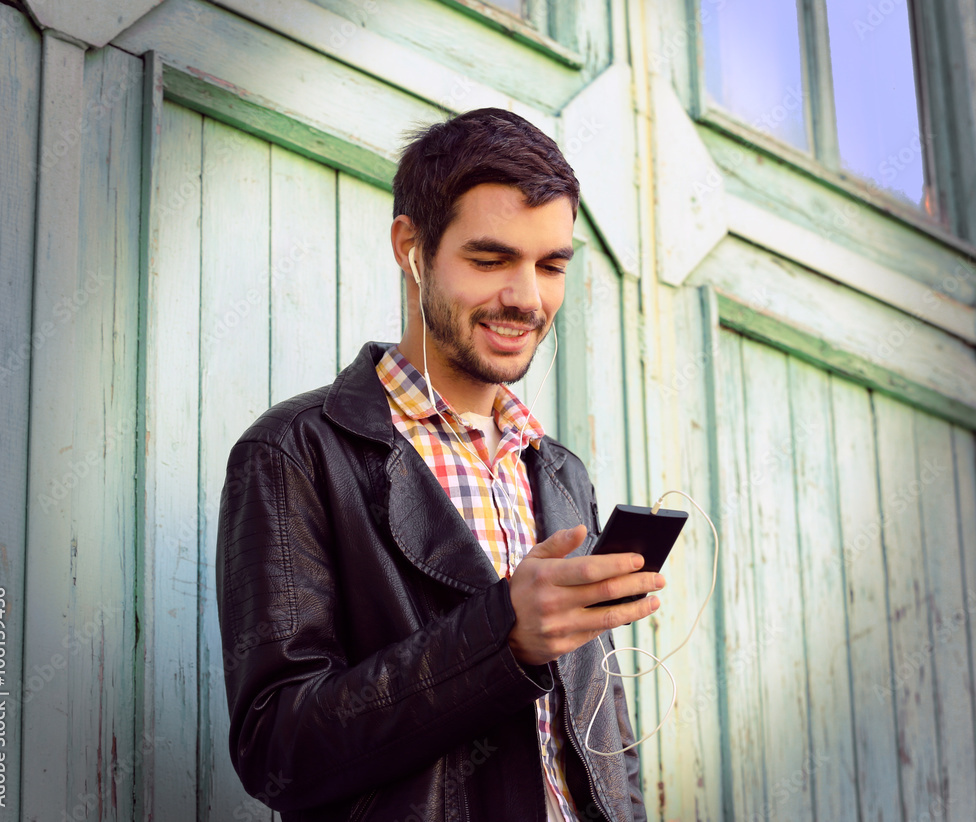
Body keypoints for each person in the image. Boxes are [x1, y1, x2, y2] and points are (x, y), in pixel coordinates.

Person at [216, 107, 664, 821]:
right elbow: (278, 750)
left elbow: (605, 734)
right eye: (490, 260)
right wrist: (502, 635)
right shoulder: (294, 452)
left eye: (551, 265)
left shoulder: (559, 474)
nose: (525, 297)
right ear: (411, 246)